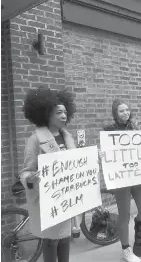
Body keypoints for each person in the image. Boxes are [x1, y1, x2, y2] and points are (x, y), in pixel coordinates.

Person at [20, 86, 77, 262]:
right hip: (47, 201)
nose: (64, 116)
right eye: (59, 112)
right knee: (51, 242)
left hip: (66, 199)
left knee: (65, 238)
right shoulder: (35, 140)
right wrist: (30, 178)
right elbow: (25, 171)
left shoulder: (68, 137)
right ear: (46, 114)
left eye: (66, 112)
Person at [103, 99, 141, 262]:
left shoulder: (134, 128)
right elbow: (108, 153)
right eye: (121, 111)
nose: (125, 113)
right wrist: (102, 154)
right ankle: (126, 249)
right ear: (115, 113)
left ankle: (139, 243)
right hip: (121, 179)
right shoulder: (109, 131)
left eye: (127, 110)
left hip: (137, 176)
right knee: (124, 215)